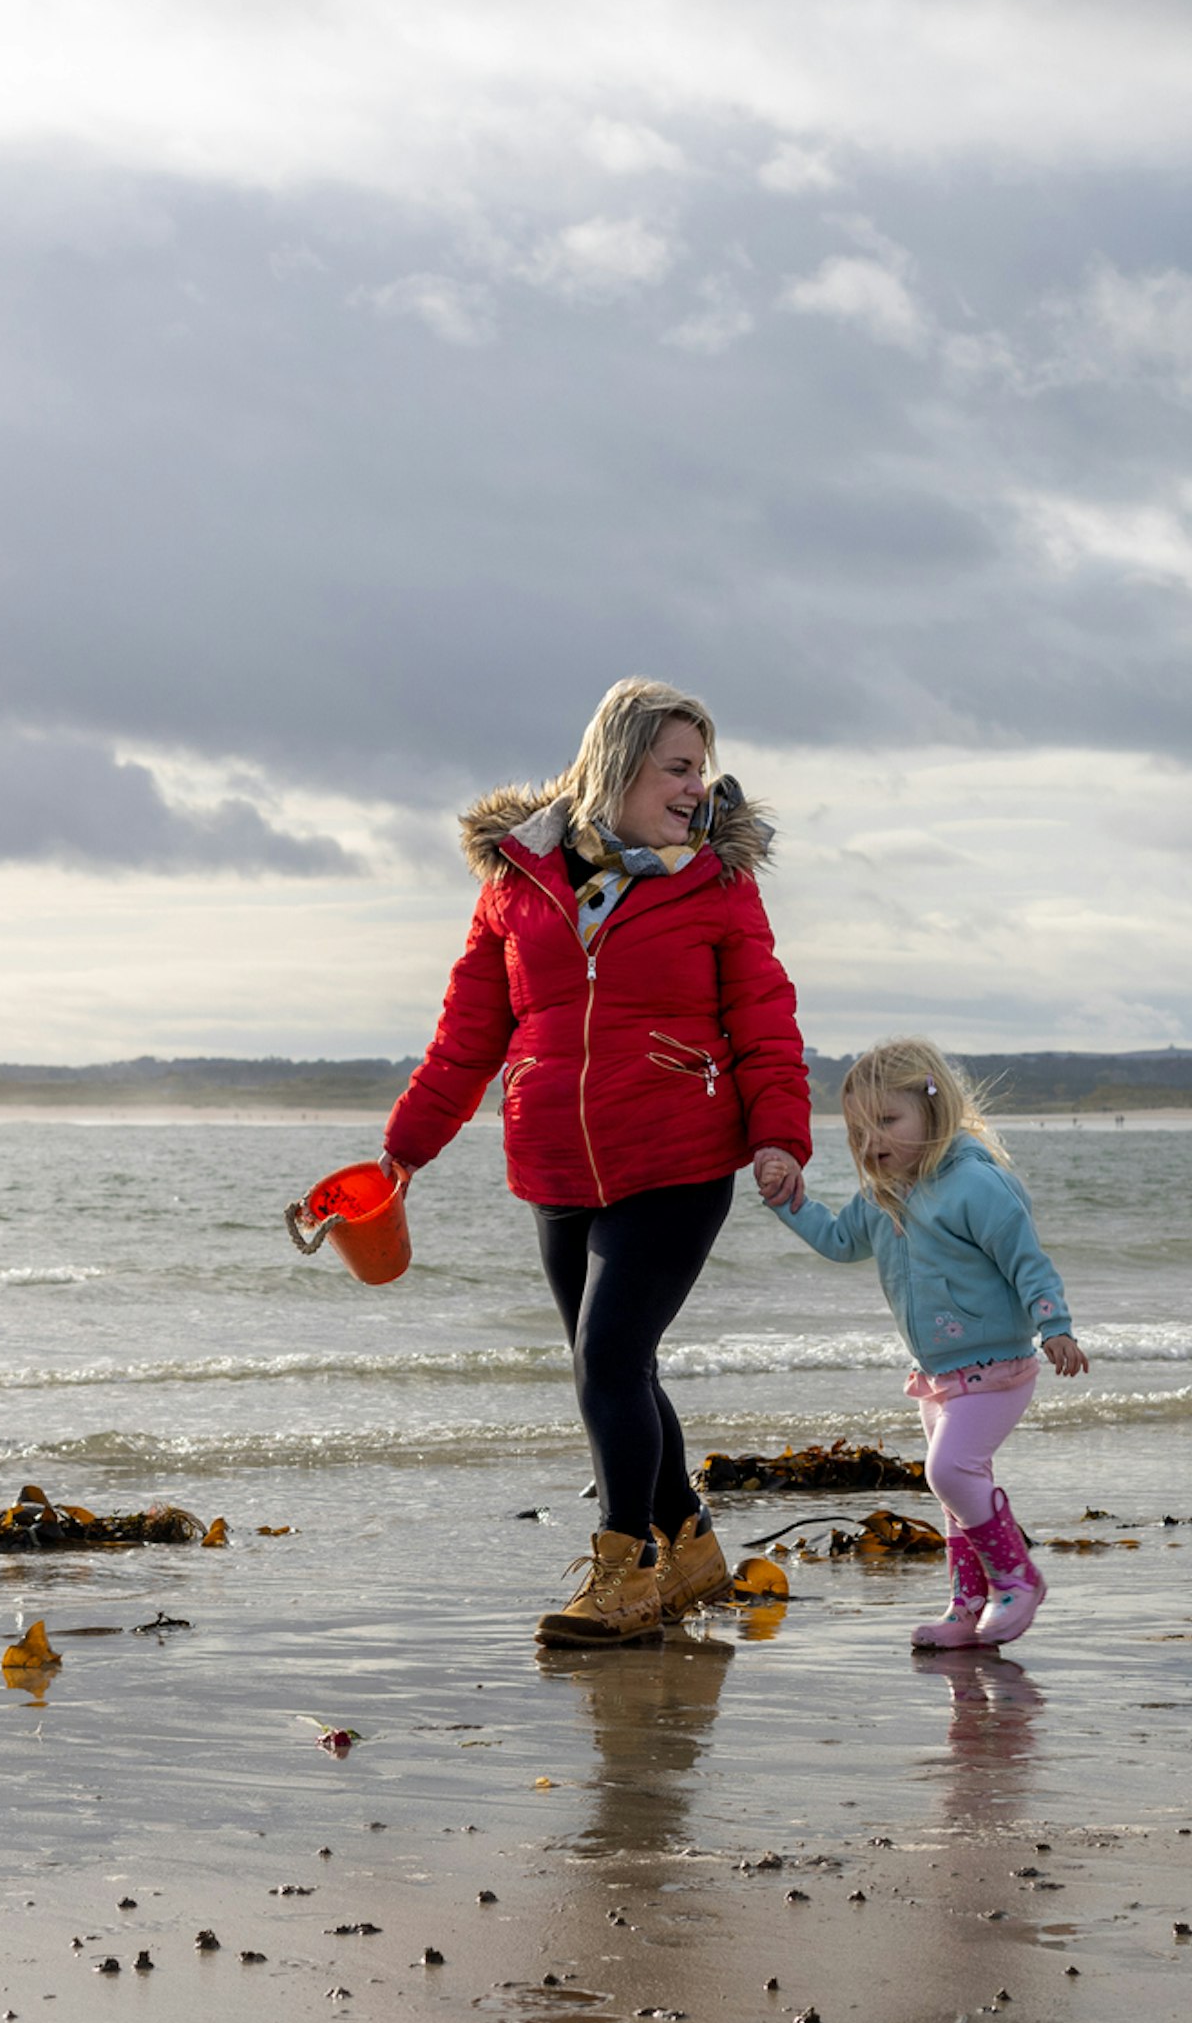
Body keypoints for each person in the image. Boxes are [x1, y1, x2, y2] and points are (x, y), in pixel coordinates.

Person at [383, 678, 815, 1647]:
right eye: (676, 766)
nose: (694, 787)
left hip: (677, 1152)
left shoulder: (716, 883)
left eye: (700, 768)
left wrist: (779, 1135)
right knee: (615, 1363)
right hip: (555, 1162)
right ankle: (693, 1545)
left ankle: (625, 1567)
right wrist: (405, 1150)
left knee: (608, 1359)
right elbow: (468, 1035)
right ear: (616, 764)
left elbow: (763, 1017)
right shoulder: (518, 881)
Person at [770, 1041, 1089, 1647]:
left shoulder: (977, 1186)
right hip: (938, 1374)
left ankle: (1017, 1578)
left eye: (887, 1122)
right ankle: (964, 1607)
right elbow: (840, 1242)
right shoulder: (882, 1195)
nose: (872, 1142)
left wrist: (1056, 1327)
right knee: (954, 1493)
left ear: (933, 1112)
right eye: (860, 1131)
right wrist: (792, 1203)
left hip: (998, 1368)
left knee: (949, 1472)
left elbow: (1028, 1262)